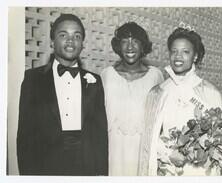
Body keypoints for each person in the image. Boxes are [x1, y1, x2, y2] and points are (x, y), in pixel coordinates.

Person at [17, 13, 108, 175]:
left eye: (77, 36)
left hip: (85, 165)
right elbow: (25, 136)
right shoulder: (33, 79)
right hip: (46, 164)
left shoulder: (95, 81)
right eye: (63, 35)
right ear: (52, 42)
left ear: (82, 44)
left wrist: (101, 174)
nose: (71, 41)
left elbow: (100, 135)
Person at [138, 24, 222, 176]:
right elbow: (148, 137)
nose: (178, 57)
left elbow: (220, 138)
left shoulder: (211, 93)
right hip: (167, 169)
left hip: (199, 171)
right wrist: (168, 153)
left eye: (185, 52)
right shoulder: (157, 93)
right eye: (174, 51)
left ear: (195, 56)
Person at [100, 22, 164, 176]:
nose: (130, 47)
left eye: (135, 41)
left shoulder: (155, 76)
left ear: (143, 47)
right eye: (124, 41)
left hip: (143, 149)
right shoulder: (106, 75)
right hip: (113, 151)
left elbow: (161, 120)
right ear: (117, 46)